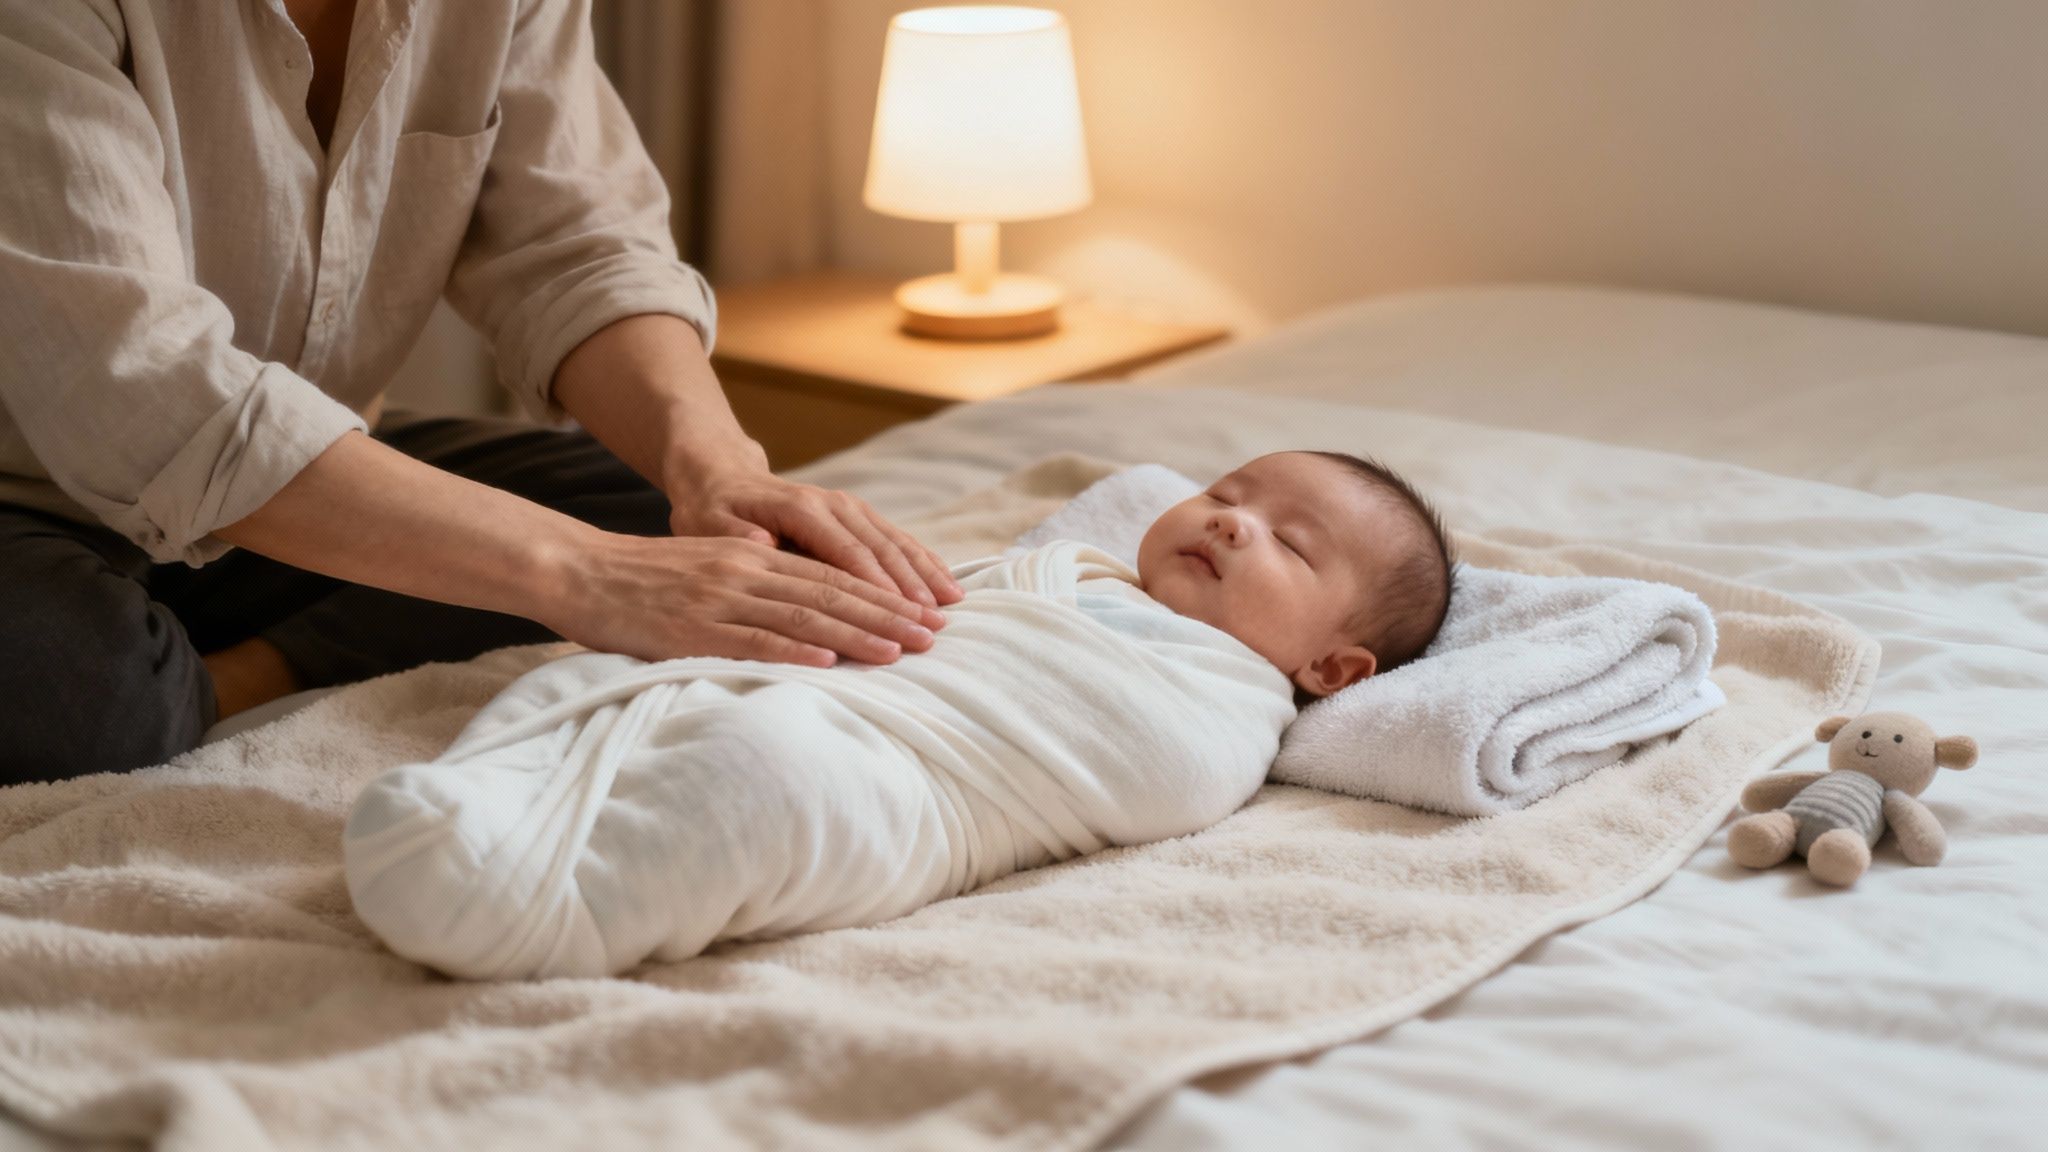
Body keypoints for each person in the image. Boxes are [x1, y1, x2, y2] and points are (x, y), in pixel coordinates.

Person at [0, 0, 960, 786]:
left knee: (650, 510)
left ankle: (232, 674)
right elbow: (143, 387)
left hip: (279, 482)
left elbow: (575, 248)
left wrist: (716, 467)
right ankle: (161, 678)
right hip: (30, 493)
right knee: (81, 693)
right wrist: (583, 576)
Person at [344, 451, 1459, 979]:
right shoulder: (1065, 570)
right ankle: (491, 800)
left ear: (1333, 669)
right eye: (1226, 495)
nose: (1230, 526)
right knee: (578, 681)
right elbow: (929, 604)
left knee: (768, 781)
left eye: (1288, 543)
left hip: (914, 787)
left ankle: (529, 907)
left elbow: (1154, 771)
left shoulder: (1225, 704)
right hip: (829, 689)